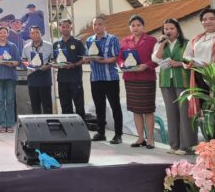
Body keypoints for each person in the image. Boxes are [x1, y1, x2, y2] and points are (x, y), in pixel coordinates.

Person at [153, 18, 195, 155]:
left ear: (177, 30)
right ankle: (174, 145)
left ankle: (186, 146)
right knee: (171, 113)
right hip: (166, 81)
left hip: (182, 80)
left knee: (184, 113)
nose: (168, 31)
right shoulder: (160, 43)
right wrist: (162, 44)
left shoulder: (186, 43)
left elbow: (191, 60)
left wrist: (179, 63)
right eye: (166, 29)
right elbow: (156, 58)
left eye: (171, 28)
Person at [118, 15, 158, 149]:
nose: (135, 28)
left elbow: (157, 59)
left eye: (138, 25)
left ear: (143, 26)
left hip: (146, 78)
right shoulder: (125, 41)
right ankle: (140, 138)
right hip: (130, 79)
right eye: (133, 25)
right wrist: (122, 64)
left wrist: (146, 65)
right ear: (129, 27)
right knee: (136, 110)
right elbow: (120, 58)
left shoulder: (152, 40)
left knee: (148, 110)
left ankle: (150, 139)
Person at [84, 16, 123, 145]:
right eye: (95, 24)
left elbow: (116, 57)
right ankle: (101, 133)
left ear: (104, 26)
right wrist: (87, 58)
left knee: (115, 106)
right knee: (99, 107)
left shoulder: (112, 39)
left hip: (110, 78)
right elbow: (86, 57)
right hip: (95, 78)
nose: (97, 27)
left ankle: (118, 135)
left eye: (100, 24)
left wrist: (103, 61)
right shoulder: (89, 40)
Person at [50, 21, 86, 118]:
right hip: (62, 79)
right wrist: (56, 65)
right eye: (63, 27)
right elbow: (53, 59)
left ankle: (81, 126)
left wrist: (74, 65)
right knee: (65, 105)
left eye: (67, 26)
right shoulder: (56, 44)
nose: (65, 28)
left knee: (79, 105)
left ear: (71, 28)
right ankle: (67, 126)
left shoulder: (77, 42)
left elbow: (84, 59)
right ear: (59, 28)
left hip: (75, 79)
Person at [0, 26, 20, 133]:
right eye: (0, 33)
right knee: (0, 100)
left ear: (8, 34)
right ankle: (2, 124)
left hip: (11, 77)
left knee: (10, 100)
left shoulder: (13, 46)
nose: (2, 34)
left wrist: (11, 63)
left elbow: (18, 61)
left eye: (4, 32)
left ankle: (10, 124)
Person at [22, 26, 55, 114]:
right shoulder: (26, 47)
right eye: (33, 33)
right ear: (30, 35)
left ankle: (49, 121)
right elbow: (24, 60)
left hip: (45, 78)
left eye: (37, 32)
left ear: (41, 34)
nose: (35, 34)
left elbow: (53, 60)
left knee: (47, 105)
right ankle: (37, 122)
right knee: (35, 106)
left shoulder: (49, 46)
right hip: (32, 78)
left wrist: (48, 66)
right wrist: (28, 64)